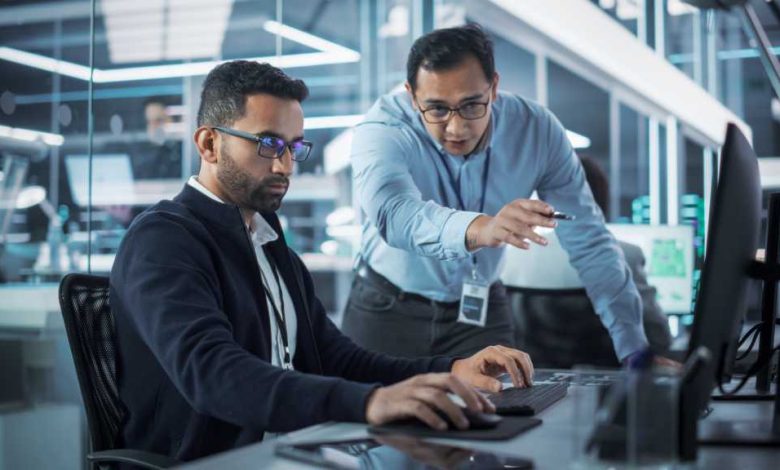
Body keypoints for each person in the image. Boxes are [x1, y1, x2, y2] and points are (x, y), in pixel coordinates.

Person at [110, 60, 535, 463]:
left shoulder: (272, 246)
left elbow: (337, 359)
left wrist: (451, 370)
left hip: (296, 452)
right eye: (268, 144)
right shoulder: (163, 240)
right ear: (208, 143)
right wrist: (370, 403)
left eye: (294, 147)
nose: (285, 165)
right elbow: (214, 375)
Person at [344, 23, 649, 363]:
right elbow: (394, 214)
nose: (456, 128)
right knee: (371, 412)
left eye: (473, 105)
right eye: (438, 109)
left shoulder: (536, 131)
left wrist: (634, 349)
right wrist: (481, 227)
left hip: (479, 309)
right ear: (411, 96)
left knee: (509, 410)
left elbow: (589, 238)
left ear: (495, 88)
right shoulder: (383, 129)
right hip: (386, 306)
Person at [506, 156, 673, 368]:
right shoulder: (624, 255)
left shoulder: (512, 256)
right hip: (608, 391)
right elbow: (659, 338)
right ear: (599, 201)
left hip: (536, 387)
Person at [131, 97, 183, 179]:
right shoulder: (144, 156)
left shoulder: (185, 155)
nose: (153, 127)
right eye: (149, 122)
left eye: (159, 121)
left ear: (174, 121)